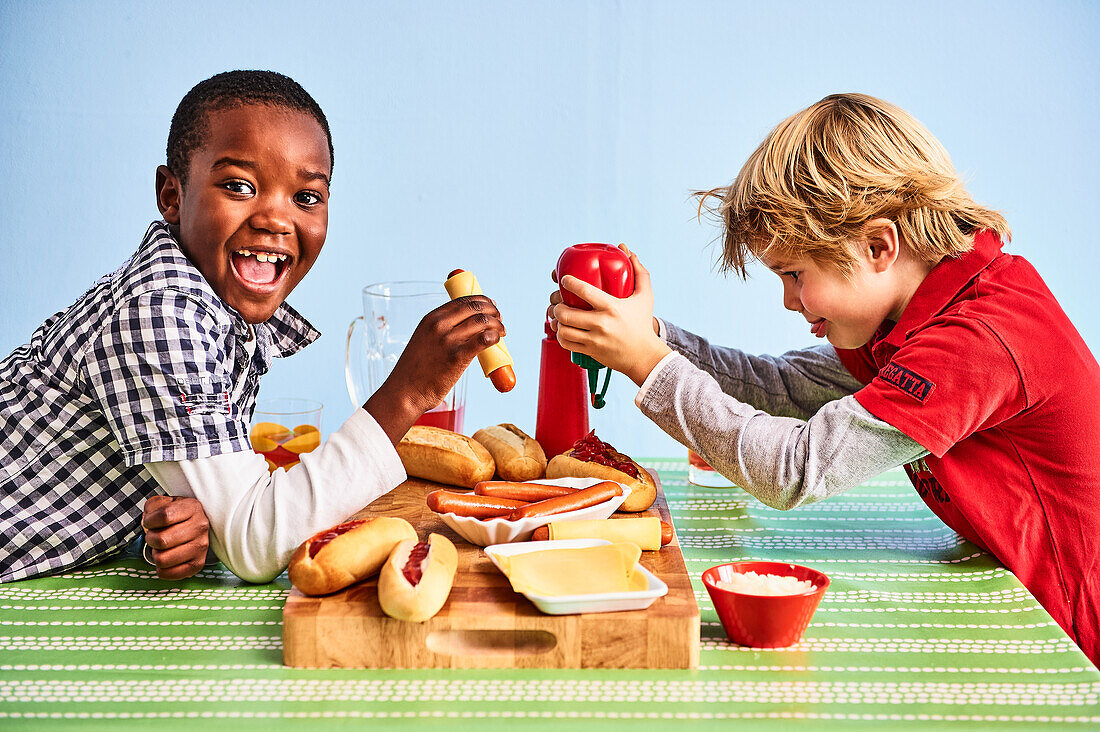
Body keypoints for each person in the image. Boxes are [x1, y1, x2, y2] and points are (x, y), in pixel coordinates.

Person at [548, 93, 1100, 664]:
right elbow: (783, 389)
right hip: (1012, 600)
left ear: (878, 246)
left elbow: (793, 469)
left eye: (794, 274)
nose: (789, 301)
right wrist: (650, 337)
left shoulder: (978, 340)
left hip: (1070, 629)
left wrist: (647, 363)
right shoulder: (912, 315)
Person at [0, 70, 505, 584]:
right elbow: (255, 544)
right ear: (171, 195)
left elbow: (218, 510)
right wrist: (408, 392)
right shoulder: (162, 313)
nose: (275, 219)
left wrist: (186, 525)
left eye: (306, 197)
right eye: (239, 186)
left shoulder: (212, 305)